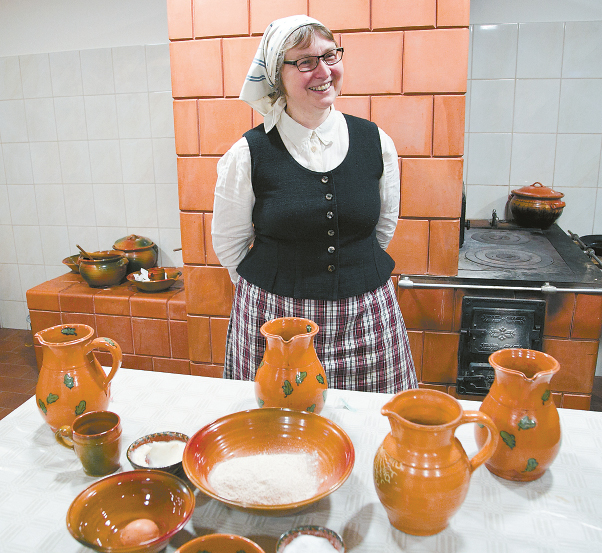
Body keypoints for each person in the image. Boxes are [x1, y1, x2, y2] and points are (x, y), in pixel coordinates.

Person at [211, 15, 417, 393]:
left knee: (368, 422)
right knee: (276, 425)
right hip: (275, 324)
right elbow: (229, 244)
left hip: (365, 320)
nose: (324, 71)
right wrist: (273, 289)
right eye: (305, 61)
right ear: (278, 75)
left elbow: (383, 226)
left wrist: (352, 271)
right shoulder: (248, 153)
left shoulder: (376, 141)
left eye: (330, 55)